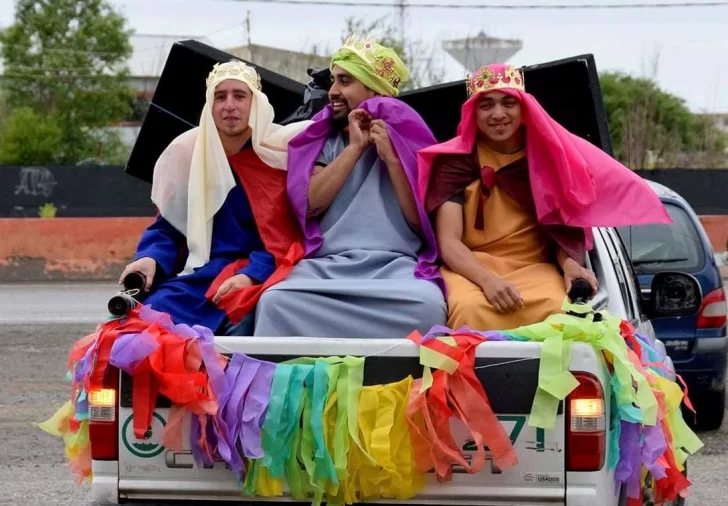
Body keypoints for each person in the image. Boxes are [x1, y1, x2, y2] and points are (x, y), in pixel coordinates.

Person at [418, 63, 671, 331]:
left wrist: (570, 265)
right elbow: (448, 242)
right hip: (470, 270)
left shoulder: (547, 159)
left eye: (508, 103)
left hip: (536, 268)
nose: (498, 114)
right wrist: (487, 281)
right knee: (470, 310)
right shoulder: (454, 163)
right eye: (486, 105)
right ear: (473, 112)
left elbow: (560, 230)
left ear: (523, 107)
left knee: (561, 313)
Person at [253, 37, 446, 338]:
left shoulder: (409, 142)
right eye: (333, 81)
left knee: (428, 307)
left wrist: (393, 161)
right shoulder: (325, 140)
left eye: (344, 81)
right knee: (275, 302)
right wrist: (355, 148)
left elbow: (421, 223)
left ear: (374, 90)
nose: (332, 92)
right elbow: (311, 204)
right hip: (326, 268)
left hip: (395, 270)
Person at [118, 61, 310, 335]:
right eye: (220, 96)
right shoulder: (189, 155)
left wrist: (251, 274)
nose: (229, 105)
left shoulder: (277, 157)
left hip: (258, 275)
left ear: (255, 103)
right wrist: (150, 258)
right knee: (138, 327)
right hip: (200, 275)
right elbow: (169, 228)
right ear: (210, 104)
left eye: (239, 95)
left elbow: (286, 238)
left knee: (239, 326)